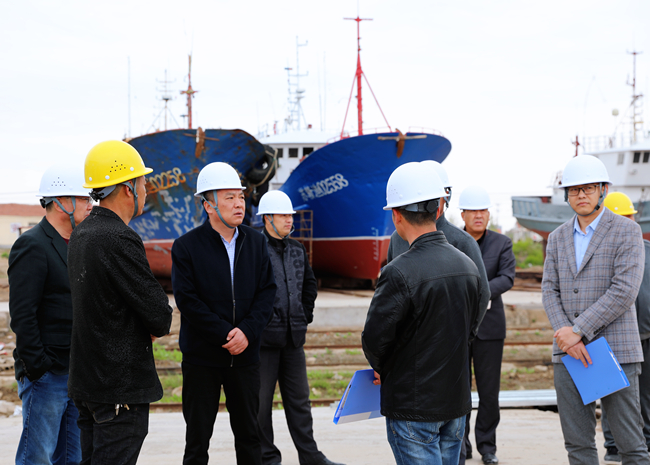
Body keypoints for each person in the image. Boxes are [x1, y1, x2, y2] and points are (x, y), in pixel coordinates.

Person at [362, 162, 485, 465]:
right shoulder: (467, 265)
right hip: (455, 400)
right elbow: (473, 321)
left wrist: (384, 367)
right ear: (438, 208)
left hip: (413, 406)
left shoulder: (398, 271)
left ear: (396, 215)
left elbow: (375, 339)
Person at [67, 140, 173, 465]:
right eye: (143, 182)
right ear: (128, 188)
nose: (146, 189)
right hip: (118, 388)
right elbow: (159, 315)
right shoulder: (119, 238)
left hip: (88, 383)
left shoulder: (81, 234)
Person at [542, 155, 648, 464]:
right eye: (574, 190)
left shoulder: (626, 231)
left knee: (630, 445)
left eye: (588, 188)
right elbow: (549, 289)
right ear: (567, 194)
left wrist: (577, 331)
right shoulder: (558, 237)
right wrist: (567, 336)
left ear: (603, 190)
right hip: (569, 354)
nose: (581, 195)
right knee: (578, 445)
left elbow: (624, 290)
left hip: (615, 350)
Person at [171, 162, 277, 465]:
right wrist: (225, 334)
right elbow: (188, 301)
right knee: (197, 441)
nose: (239, 204)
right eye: (229, 197)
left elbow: (267, 293)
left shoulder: (256, 242)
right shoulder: (186, 247)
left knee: (250, 438)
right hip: (202, 359)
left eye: (241, 197)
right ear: (209, 205)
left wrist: (247, 332)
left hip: (245, 358)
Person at [9, 164, 92, 465]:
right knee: (37, 457)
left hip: (76, 372)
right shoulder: (32, 244)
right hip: (47, 374)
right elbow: (22, 314)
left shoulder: (80, 243)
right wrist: (38, 367)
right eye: (83, 198)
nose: (90, 204)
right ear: (60, 202)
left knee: (74, 457)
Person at [255, 190, 344, 465]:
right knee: (260, 405)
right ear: (267, 218)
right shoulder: (254, 248)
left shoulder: (296, 249)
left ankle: (310, 457)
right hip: (263, 342)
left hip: (294, 340)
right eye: (283, 215)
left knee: (300, 403)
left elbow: (309, 285)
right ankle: (267, 458)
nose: (289, 220)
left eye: (290, 215)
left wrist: (303, 316)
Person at [386, 160, 490, 342]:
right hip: (407, 345)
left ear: (446, 197)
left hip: (449, 345)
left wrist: (465, 337)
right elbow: (391, 293)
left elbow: (482, 294)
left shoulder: (463, 241)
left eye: (433, 198)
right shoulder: (397, 239)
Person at [458, 186, 516, 465]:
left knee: (489, 393)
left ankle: (487, 446)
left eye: (483, 211)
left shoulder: (502, 243)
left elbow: (507, 278)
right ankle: (460, 444)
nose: (478, 216)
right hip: (457, 328)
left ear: (489, 214)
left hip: (490, 329)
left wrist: (479, 291)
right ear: (463, 215)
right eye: (473, 211)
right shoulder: (451, 241)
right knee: (457, 391)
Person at [600, 191, 650, 463]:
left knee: (645, 393)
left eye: (629, 218)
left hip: (646, 333)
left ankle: (646, 442)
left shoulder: (647, 250)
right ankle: (613, 446)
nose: (627, 223)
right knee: (612, 392)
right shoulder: (601, 253)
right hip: (612, 334)